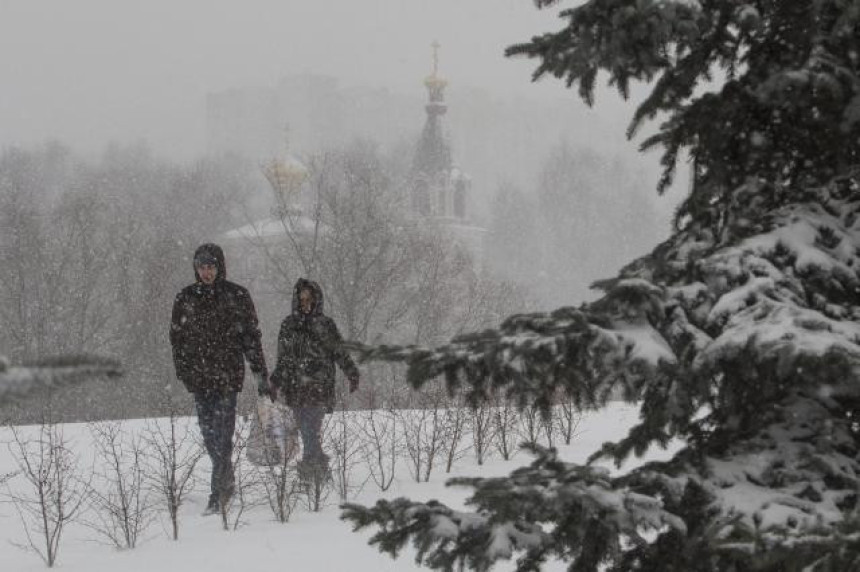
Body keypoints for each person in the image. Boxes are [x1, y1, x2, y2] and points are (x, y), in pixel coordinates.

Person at [169, 243, 270, 515]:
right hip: (200, 380)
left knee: (223, 435)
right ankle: (226, 478)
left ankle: (219, 492)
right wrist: (185, 371)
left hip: (227, 377)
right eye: (202, 267)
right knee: (209, 435)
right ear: (195, 268)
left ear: (219, 267)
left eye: (211, 266)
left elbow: (251, 338)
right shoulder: (185, 298)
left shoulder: (236, 296)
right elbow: (177, 340)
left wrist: (261, 374)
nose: (206, 272)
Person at [269, 278, 359, 481]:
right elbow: (283, 358)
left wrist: (351, 372)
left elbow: (339, 352)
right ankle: (318, 469)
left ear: (316, 300)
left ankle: (311, 472)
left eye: (309, 300)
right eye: (302, 300)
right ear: (297, 301)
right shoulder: (289, 325)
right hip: (295, 388)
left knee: (310, 431)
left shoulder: (326, 324)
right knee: (307, 431)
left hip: (319, 386)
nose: (306, 304)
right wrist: (275, 381)